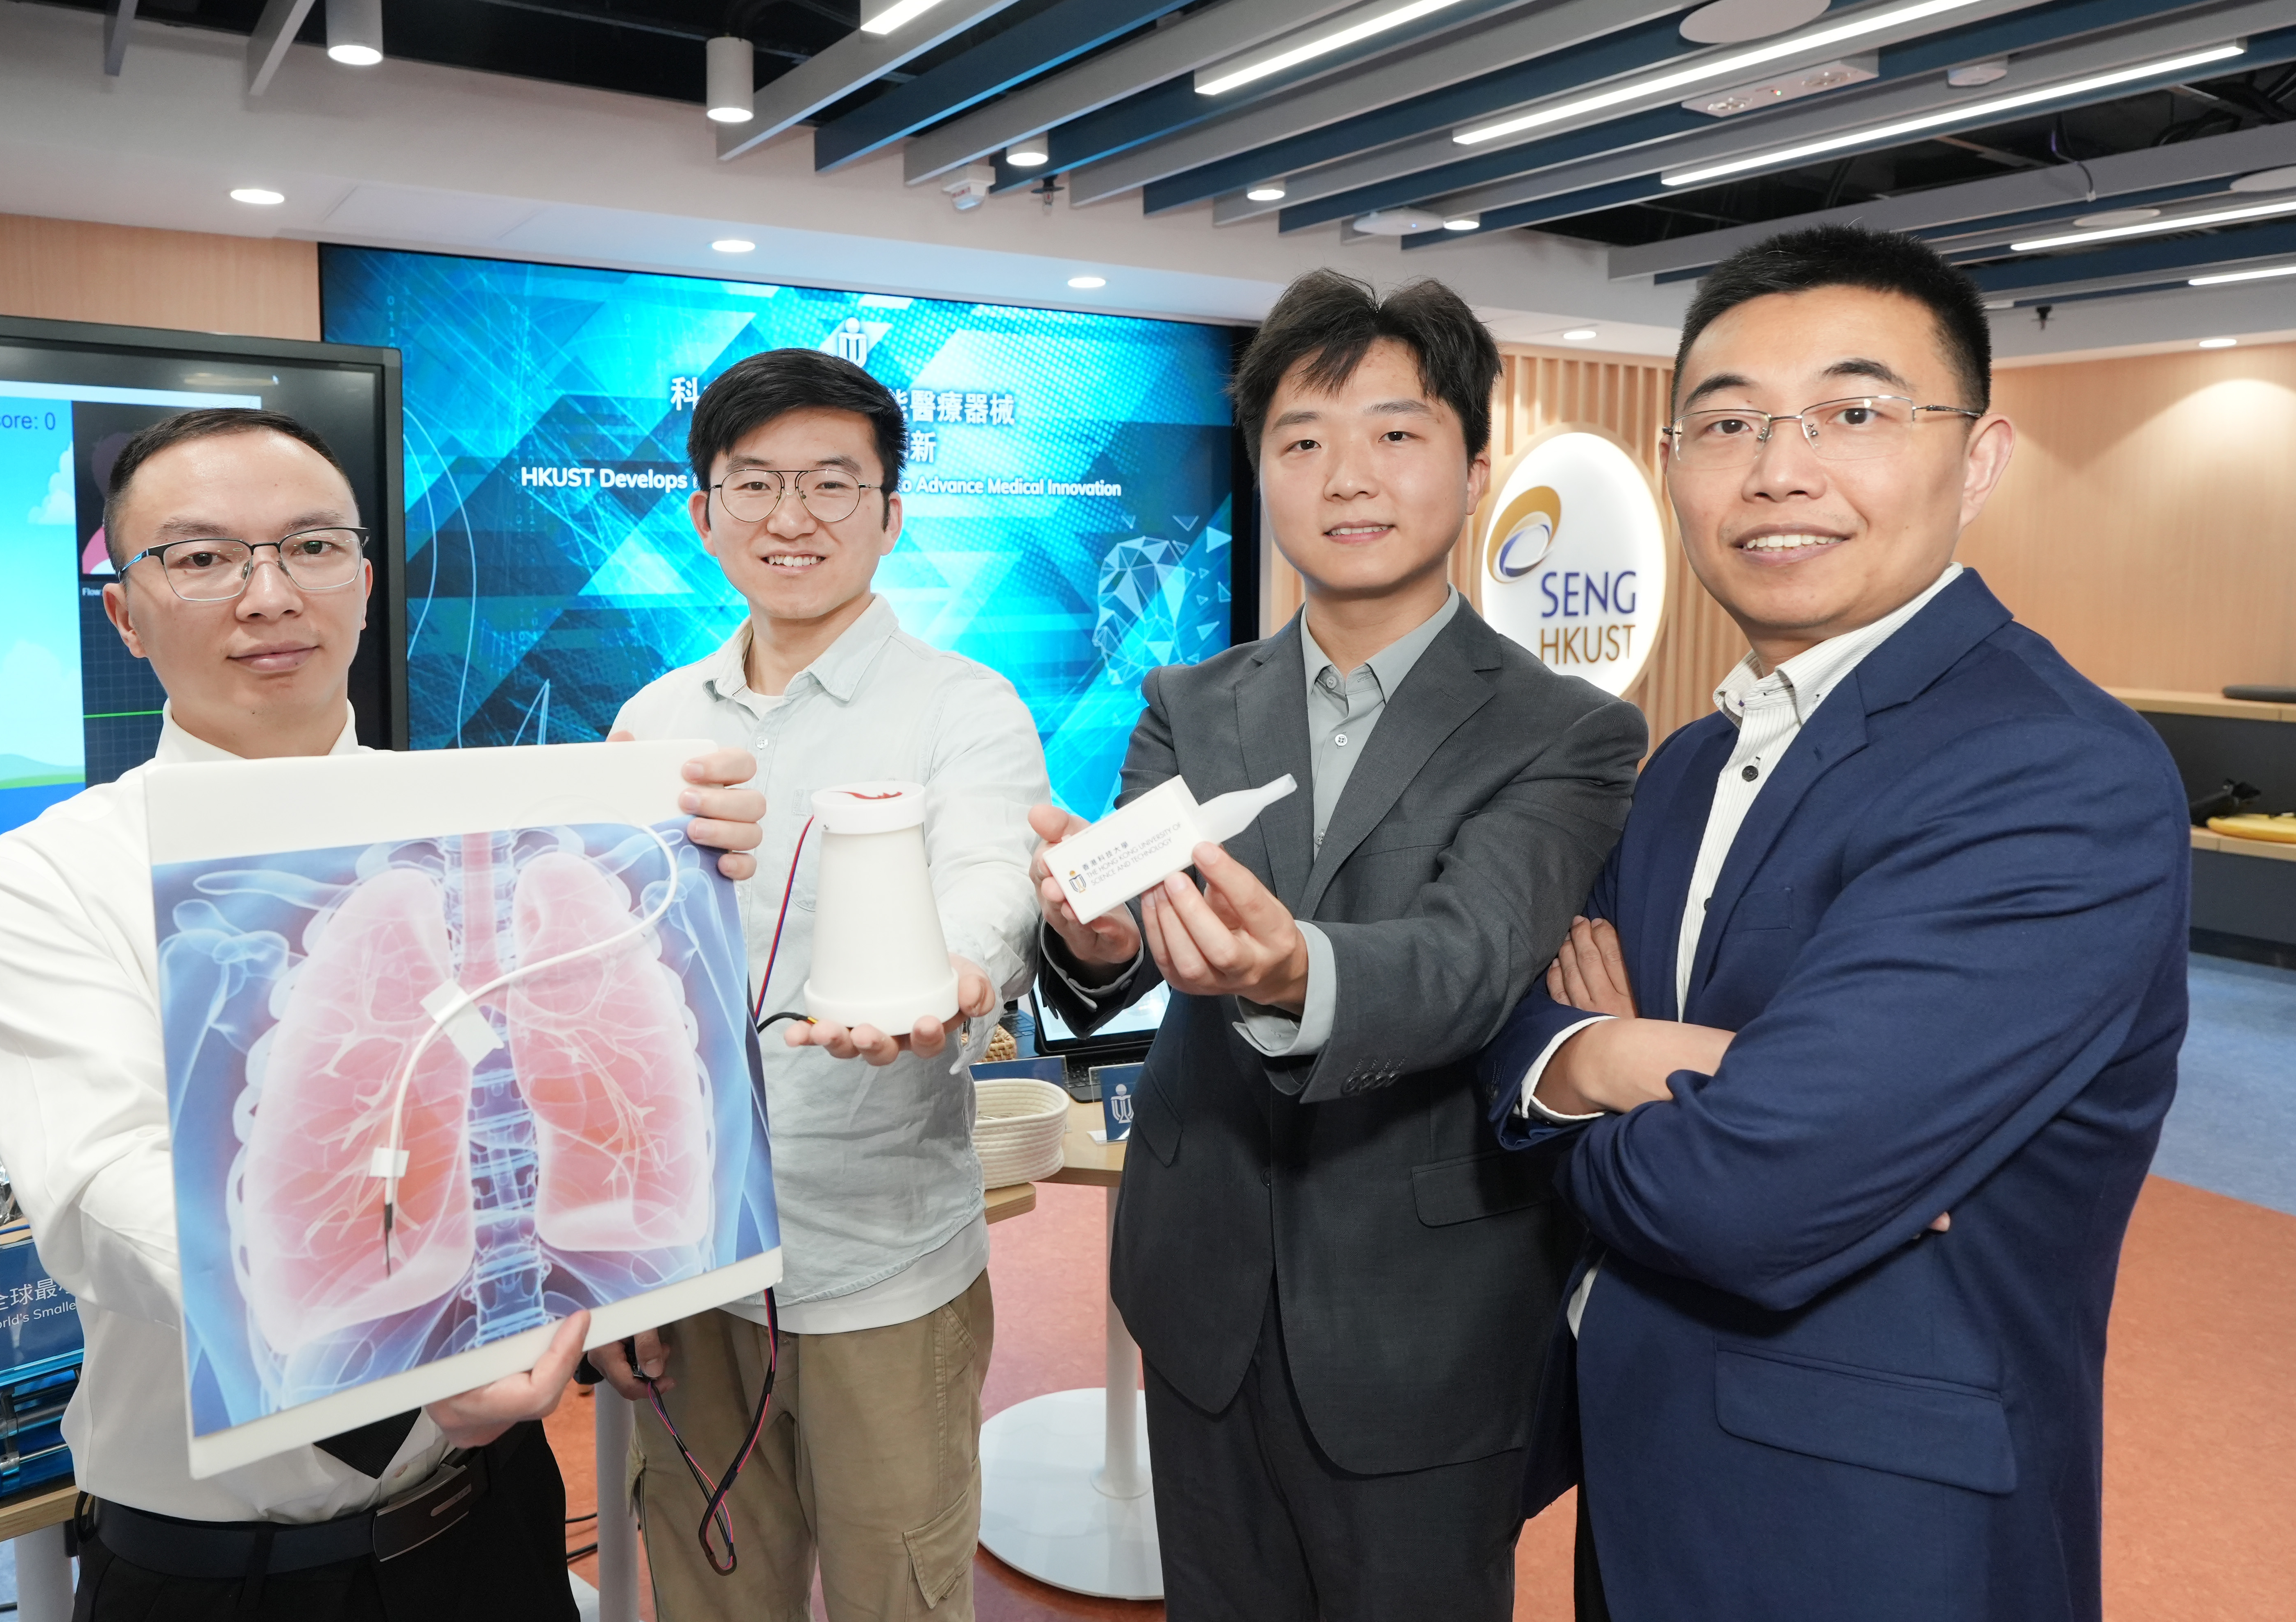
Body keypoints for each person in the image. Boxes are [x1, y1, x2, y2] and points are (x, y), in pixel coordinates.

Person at [0, 407, 769, 1621]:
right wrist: (409, 1354)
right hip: (226, 1575)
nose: (269, 595)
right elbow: (98, 1194)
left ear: (368, 585)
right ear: (124, 612)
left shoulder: (504, 818)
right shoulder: (45, 877)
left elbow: (601, 1085)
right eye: (202, 556)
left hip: (489, 1517)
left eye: (313, 548)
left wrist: (692, 885)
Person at [1482, 225, 2190, 1622]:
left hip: (1869, 1537)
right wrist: (1606, 1062)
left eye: (1853, 414)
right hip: (1643, 1474)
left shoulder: (2054, 772)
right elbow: (1516, 1021)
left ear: (1974, 459)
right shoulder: (1684, 760)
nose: (1778, 469)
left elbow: (1747, 1198)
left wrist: (1611, 1085)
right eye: (1727, 422)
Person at [1030, 272, 1645, 1620]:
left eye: (1394, 433)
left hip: (1424, 1308)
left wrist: (1290, 971)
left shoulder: (1566, 731)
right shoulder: (1187, 702)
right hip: (1196, 1280)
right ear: (1263, 473)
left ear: (1474, 470)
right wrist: (1083, 939)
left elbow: (1473, 956)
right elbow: (1127, 932)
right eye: (1301, 441)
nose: (1345, 477)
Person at [589, 348, 1049, 1622]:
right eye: (755, 484)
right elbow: (615, 1018)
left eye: (834, 485)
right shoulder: (650, 720)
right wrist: (617, 1272)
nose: (792, 518)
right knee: (707, 1586)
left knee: (897, 1590)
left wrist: (954, 976)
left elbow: (988, 880)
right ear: (703, 514)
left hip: (880, 1265)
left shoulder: (965, 709)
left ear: (890, 515)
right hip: (690, 1263)